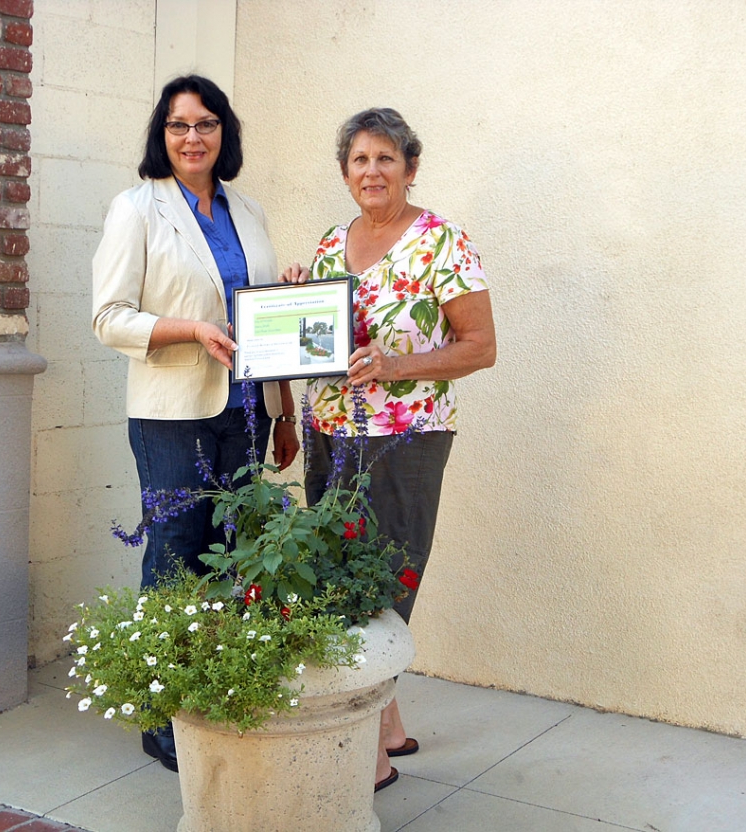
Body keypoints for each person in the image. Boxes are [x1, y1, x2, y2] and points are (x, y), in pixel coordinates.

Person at [282, 107, 496, 792]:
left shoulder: (441, 241)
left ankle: (368, 752)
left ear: (409, 166)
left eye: (385, 159)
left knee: (386, 578)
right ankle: (391, 724)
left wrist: (394, 367)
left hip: (406, 436)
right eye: (359, 161)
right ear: (345, 173)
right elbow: (314, 338)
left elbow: (479, 348)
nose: (371, 172)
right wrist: (293, 302)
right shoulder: (328, 243)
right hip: (330, 431)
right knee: (342, 574)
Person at [92, 75, 299, 772]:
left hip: (246, 412)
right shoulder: (136, 209)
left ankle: (218, 688)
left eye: (206, 124)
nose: (192, 137)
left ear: (224, 133)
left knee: (236, 548)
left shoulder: (248, 209)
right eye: (179, 125)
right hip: (172, 414)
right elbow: (109, 317)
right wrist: (190, 329)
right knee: (178, 553)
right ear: (163, 133)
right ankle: (163, 716)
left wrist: (286, 405)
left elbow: (263, 315)